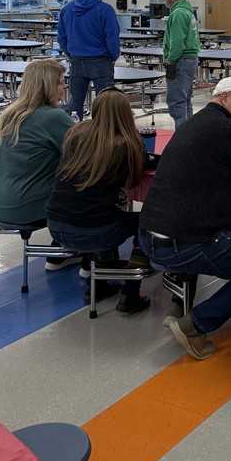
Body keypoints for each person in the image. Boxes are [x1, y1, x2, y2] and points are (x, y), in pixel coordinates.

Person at [138, 76, 231, 360]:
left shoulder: (191, 123)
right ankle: (195, 324)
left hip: (148, 238)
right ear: (224, 97)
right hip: (188, 243)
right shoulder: (229, 129)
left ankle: (178, 303)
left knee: (188, 221)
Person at [47, 88, 153, 313]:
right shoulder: (127, 144)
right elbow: (138, 174)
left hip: (55, 227)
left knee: (106, 213)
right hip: (94, 230)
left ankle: (96, 284)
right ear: (126, 114)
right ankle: (130, 293)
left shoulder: (75, 134)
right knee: (148, 221)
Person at [0, 59, 82, 270]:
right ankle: (83, 253)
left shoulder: (12, 114)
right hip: (24, 206)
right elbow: (84, 153)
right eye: (60, 82)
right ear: (46, 86)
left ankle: (61, 250)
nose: (64, 86)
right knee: (88, 182)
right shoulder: (53, 117)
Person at [57, 0, 121, 119]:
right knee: (105, 101)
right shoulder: (105, 10)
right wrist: (113, 56)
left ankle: (75, 134)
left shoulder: (67, 9)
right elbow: (112, 37)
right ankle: (103, 135)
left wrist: (71, 53)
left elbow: (61, 37)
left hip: (76, 61)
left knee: (76, 101)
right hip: (100, 61)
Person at [159, 0, 200, 127]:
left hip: (181, 60)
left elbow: (176, 41)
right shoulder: (187, 12)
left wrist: (171, 59)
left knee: (176, 101)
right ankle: (190, 134)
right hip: (190, 58)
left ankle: (182, 138)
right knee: (185, 99)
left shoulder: (177, 13)